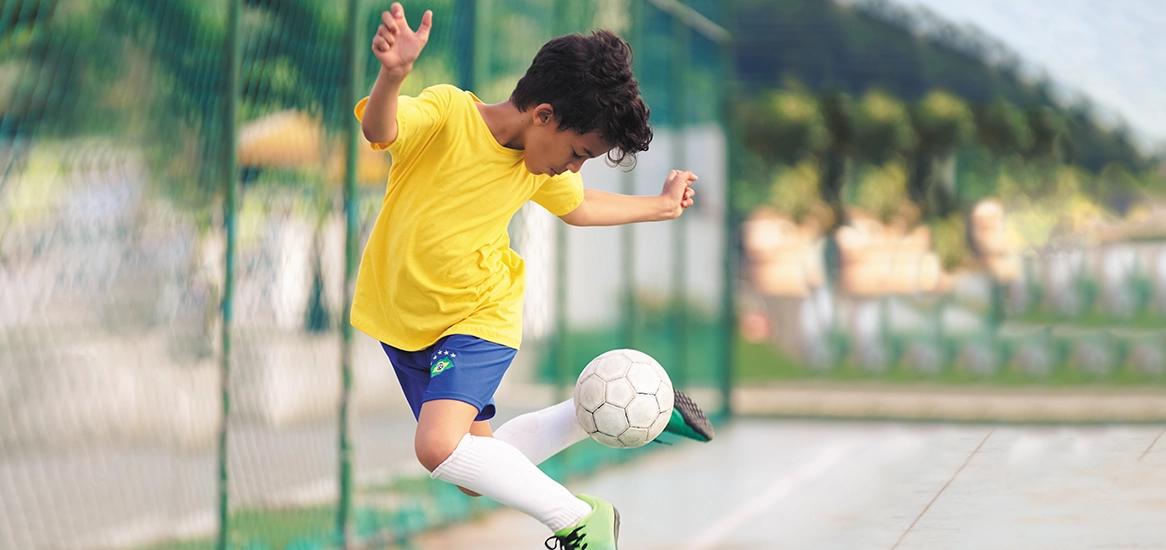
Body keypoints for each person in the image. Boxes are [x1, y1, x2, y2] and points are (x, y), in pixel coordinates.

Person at [354, 4, 713, 548]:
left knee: (436, 448)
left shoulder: (536, 164)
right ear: (543, 115)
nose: (574, 168)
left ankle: (577, 519)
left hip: (478, 314)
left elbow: (579, 206)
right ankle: (637, 404)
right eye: (578, 152)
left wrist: (660, 208)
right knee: (471, 465)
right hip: (405, 319)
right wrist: (394, 75)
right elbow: (380, 128)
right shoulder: (449, 116)